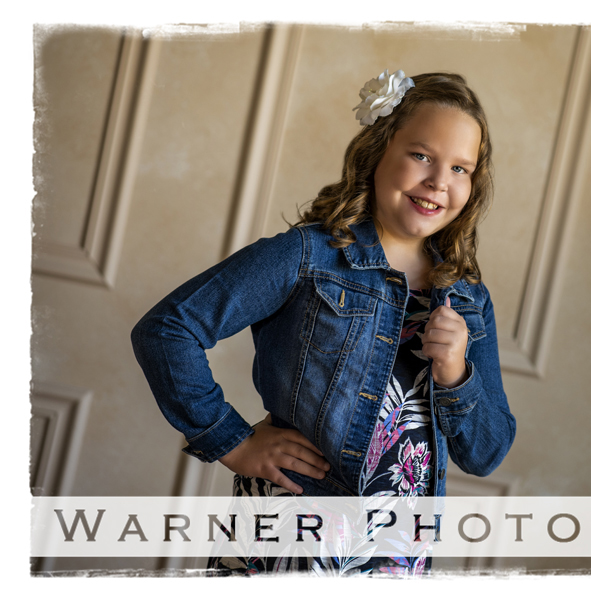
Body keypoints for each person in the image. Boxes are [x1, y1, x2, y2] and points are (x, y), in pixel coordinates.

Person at [131, 70, 516, 575]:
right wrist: (233, 442)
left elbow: (485, 453)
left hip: (396, 553)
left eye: (460, 168)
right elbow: (168, 329)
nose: (439, 181)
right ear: (378, 149)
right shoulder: (308, 257)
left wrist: (456, 373)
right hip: (290, 532)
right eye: (421, 155)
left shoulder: (468, 299)